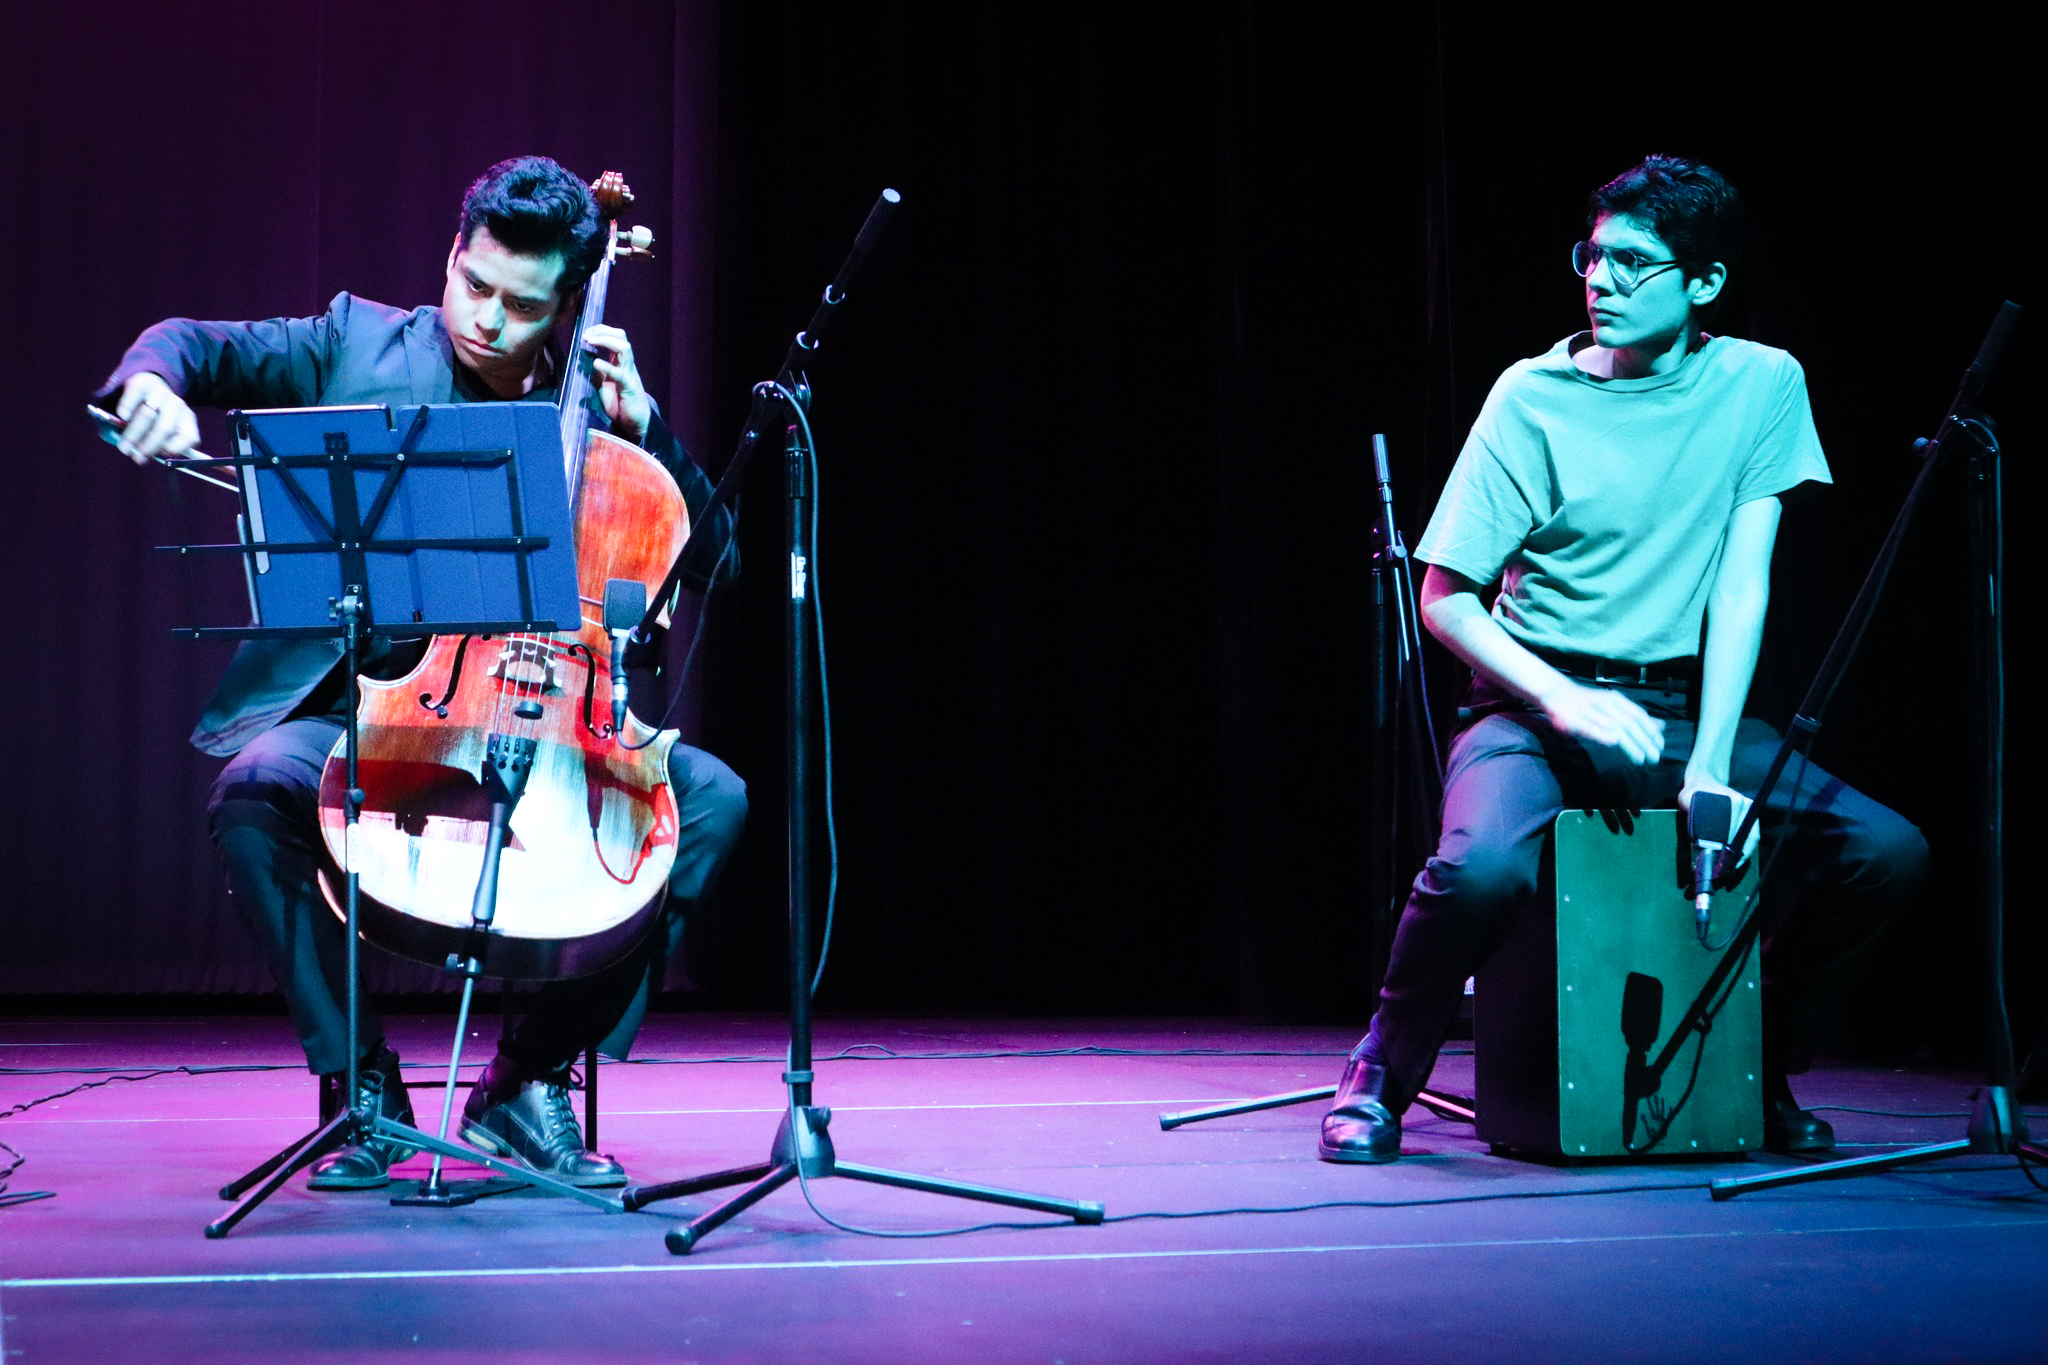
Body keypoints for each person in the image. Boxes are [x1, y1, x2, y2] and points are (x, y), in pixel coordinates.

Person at [97, 156, 746, 1190]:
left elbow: (716, 562)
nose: (486, 319)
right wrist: (150, 385)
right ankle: (360, 1091)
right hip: (382, 727)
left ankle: (526, 1085)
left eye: (522, 306)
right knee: (258, 787)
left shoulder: (606, 429)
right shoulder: (357, 343)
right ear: (452, 255)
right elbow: (195, 344)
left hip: (547, 731)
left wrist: (651, 431)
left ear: (569, 304)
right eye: (474, 285)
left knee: (708, 803)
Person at [1321, 155, 1927, 1164]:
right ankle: (1380, 1074)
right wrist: (1558, 700)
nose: (1597, 281)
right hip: (1525, 701)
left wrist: (1708, 763)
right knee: (1475, 872)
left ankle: (1746, 1055)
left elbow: (1740, 587)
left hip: (1680, 712)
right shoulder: (1531, 396)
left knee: (1881, 853)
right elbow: (1444, 600)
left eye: (1631, 263)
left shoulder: (1759, 383)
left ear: (1703, 283)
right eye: (1591, 256)